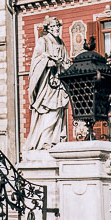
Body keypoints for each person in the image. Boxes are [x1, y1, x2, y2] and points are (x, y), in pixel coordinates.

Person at [24, 17, 69, 151]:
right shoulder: (43, 41)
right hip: (47, 82)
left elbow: (66, 60)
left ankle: (55, 141)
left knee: (59, 110)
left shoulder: (61, 43)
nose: (57, 29)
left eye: (58, 26)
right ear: (48, 28)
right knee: (48, 109)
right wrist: (48, 62)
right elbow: (36, 60)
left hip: (59, 82)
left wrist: (65, 65)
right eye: (54, 26)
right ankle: (44, 141)